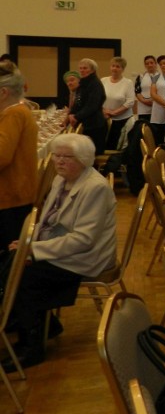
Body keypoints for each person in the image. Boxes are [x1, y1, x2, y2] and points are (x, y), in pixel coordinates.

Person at [3, 133, 116, 371]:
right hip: (62, 246)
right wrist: (27, 243)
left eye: (67, 157)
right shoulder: (60, 179)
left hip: (86, 256)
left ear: (84, 160)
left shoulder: (94, 187)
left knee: (25, 273)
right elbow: (46, 221)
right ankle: (36, 322)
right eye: (56, 155)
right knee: (10, 258)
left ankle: (31, 347)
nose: (59, 161)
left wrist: (34, 249)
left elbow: (84, 240)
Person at [0, 60, 38, 249]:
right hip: (19, 194)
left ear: (3, 92)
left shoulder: (13, 114)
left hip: (9, 198)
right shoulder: (20, 111)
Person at [69, 58, 108, 154]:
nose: (82, 70)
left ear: (93, 70)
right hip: (86, 123)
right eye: (80, 68)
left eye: (85, 68)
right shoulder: (83, 83)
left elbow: (92, 106)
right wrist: (71, 114)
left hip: (94, 126)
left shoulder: (95, 84)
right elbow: (78, 102)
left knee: (88, 155)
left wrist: (76, 116)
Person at [100, 57, 135, 151]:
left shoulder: (128, 83)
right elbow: (98, 98)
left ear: (122, 69)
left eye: (118, 67)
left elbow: (130, 101)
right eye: (113, 66)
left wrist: (114, 113)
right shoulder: (103, 80)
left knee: (116, 146)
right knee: (103, 144)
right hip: (104, 118)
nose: (114, 68)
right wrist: (105, 112)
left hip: (121, 120)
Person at [149, 55, 165, 145]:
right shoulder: (155, 78)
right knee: (158, 135)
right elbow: (153, 93)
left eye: (164, 63)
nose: (163, 66)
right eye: (160, 64)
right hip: (158, 109)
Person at [134, 55, 158, 125]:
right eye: (147, 63)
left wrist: (154, 102)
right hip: (143, 110)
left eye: (151, 63)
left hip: (157, 109)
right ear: (145, 65)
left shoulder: (161, 77)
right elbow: (137, 91)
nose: (149, 65)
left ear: (155, 64)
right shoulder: (141, 77)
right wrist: (144, 101)